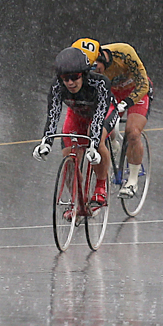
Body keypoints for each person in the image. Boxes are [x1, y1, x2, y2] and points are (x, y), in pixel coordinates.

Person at [33, 47, 118, 209]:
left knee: (97, 140)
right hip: (77, 114)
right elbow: (53, 115)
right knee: (68, 156)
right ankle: (78, 200)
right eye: (66, 79)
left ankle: (100, 187)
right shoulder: (57, 87)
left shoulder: (100, 83)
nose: (70, 83)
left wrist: (92, 144)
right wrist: (46, 143)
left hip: (103, 112)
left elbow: (99, 117)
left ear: (84, 74)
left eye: (74, 77)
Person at [72, 38, 153, 199]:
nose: (95, 72)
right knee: (100, 128)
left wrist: (127, 102)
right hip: (112, 93)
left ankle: (132, 181)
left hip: (136, 91)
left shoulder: (124, 52)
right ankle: (113, 143)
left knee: (133, 132)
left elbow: (143, 83)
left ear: (101, 57)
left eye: (96, 68)